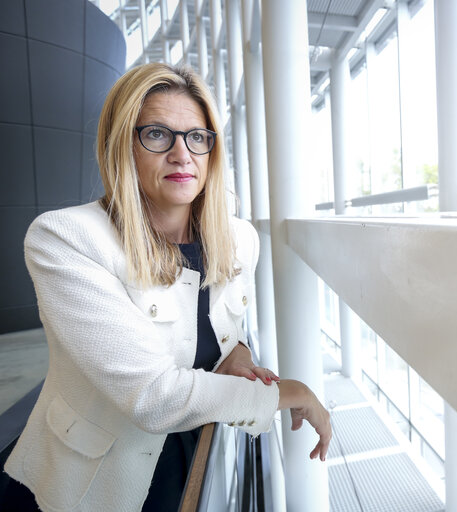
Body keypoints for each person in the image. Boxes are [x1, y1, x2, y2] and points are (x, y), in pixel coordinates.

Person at [2, 63, 331, 511]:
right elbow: (152, 397)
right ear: (122, 145)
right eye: (158, 134)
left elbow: (217, 332)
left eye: (197, 136)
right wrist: (290, 392)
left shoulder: (239, 239)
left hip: (190, 452)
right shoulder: (64, 237)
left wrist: (235, 351)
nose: (183, 154)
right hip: (88, 482)